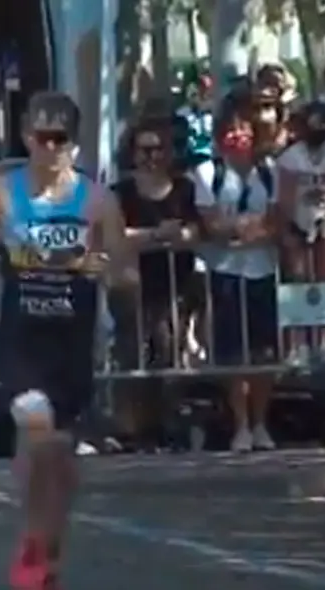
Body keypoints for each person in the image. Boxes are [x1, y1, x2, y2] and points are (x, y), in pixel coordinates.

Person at [0, 91, 133, 589]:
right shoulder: (1, 192)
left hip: (72, 342)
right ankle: (33, 543)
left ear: (73, 144)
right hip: (21, 338)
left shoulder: (96, 200)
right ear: (27, 136)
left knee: (59, 457)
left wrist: (107, 269)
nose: (48, 147)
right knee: (36, 431)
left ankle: (50, 541)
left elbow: (124, 271)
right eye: (39, 136)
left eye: (60, 139)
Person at [193, 93, 278, 452]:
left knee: (264, 353)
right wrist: (241, 229)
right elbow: (211, 224)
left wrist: (249, 231)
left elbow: (277, 220)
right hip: (225, 271)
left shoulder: (271, 172)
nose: (238, 136)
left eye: (245, 129)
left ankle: (261, 424)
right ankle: (240, 424)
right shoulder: (207, 173)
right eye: (231, 130)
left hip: (263, 270)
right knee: (233, 354)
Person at [109, 111, 200, 448]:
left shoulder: (185, 188)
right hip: (132, 285)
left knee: (169, 353)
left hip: (175, 284)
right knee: (132, 355)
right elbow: (116, 236)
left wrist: (175, 236)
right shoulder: (119, 192)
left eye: (158, 149)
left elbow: (194, 231)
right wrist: (157, 235)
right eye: (144, 150)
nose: (151, 157)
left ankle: (166, 423)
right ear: (132, 153)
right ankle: (132, 428)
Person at [275, 100, 325, 365]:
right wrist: (292, 227)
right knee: (297, 281)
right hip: (297, 225)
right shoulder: (290, 158)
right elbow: (285, 197)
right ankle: (297, 345)